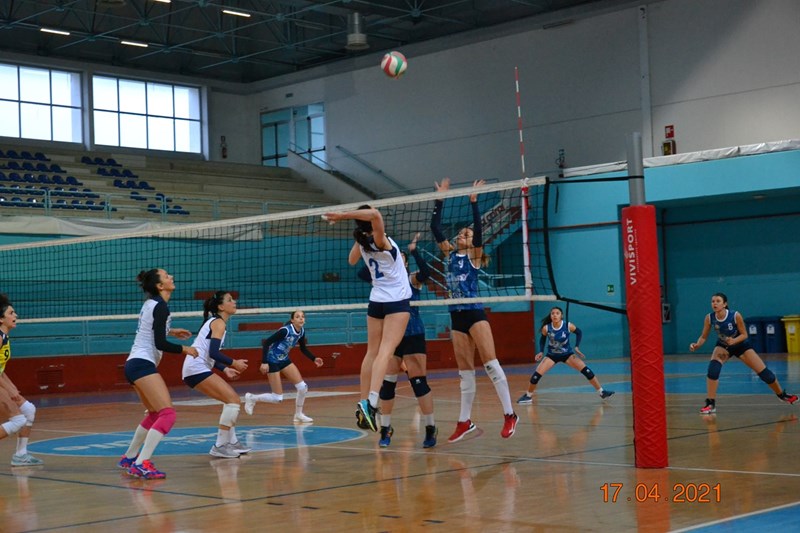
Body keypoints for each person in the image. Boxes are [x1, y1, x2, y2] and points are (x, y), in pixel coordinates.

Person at [430, 178, 518, 441]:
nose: (461, 235)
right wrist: (440, 199)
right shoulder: (449, 255)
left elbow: (479, 234)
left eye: (465, 234)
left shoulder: (474, 256)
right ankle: (464, 421)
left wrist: (474, 203)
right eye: (460, 233)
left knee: (490, 364)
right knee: (465, 373)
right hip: (456, 316)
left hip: (475, 313)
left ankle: (510, 414)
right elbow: (435, 227)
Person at [323, 205, 411, 432]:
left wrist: (358, 232)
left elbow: (351, 260)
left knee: (372, 352)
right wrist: (343, 215)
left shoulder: (363, 243)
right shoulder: (380, 239)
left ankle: (363, 402)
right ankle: (371, 403)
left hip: (376, 301)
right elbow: (375, 215)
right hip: (396, 301)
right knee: (385, 352)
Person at [118, 269, 199, 479]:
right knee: (167, 414)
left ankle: (130, 457)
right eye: (166, 276)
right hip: (142, 365)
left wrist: (172, 330)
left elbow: (150, 328)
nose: (171, 277)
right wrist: (186, 349)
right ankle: (141, 464)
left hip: (133, 364)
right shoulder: (160, 306)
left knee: (154, 414)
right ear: (160, 286)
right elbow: (160, 343)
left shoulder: (151, 303)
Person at [361, 233, 437, 448]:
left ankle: (430, 427)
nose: (400, 258)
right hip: (392, 337)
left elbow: (427, 273)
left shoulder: (412, 279)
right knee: (387, 385)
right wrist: (375, 261)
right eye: (399, 256)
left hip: (413, 334)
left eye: (404, 257)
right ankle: (385, 429)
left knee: (419, 383)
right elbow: (362, 272)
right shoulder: (385, 279)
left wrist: (414, 251)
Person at [689, 292, 798, 414]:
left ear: (725, 304)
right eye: (713, 301)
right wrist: (697, 344)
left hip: (740, 345)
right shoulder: (709, 318)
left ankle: (781, 395)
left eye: (718, 301)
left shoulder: (735, 315)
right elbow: (703, 336)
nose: (715, 303)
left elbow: (744, 335)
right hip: (723, 347)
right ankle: (710, 403)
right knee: (713, 370)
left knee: (767, 375)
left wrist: (733, 341)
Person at [182, 291, 250, 458]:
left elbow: (208, 353)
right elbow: (213, 352)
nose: (234, 302)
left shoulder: (216, 322)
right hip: (196, 368)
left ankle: (232, 442)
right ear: (221, 307)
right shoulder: (218, 323)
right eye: (230, 300)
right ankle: (220, 446)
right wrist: (233, 363)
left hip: (195, 368)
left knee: (230, 400)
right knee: (233, 400)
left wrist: (224, 369)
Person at [517, 306, 614, 404]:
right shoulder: (546, 328)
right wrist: (541, 351)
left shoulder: (567, 325)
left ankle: (602, 392)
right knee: (535, 376)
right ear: (550, 316)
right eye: (553, 313)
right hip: (552, 355)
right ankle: (528, 396)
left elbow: (579, 332)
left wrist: (577, 346)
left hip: (567, 354)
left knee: (587, 371)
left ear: (561, 316)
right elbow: (542, 339)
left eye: (557, 313)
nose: (555, 315)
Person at [244, 310, 324, 424]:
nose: (301, 318)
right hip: (272, 361)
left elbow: (303, 348)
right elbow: (266, 343)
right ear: (292, 320)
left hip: (284, 359)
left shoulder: (301, 331)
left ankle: (298, 415)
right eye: (297, 317)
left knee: (302, 387)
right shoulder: (285, 331)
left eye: (302, 316)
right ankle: (252, 398)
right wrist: (264, 362)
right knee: (277, 398)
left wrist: (314, 358)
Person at [0, 294, 43, 467]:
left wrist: (12, 387)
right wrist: (9, 389)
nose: (15, 315)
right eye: (11, 313)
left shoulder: (4, 337)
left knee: (29, 410)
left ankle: (20, 455)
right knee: (18, 421)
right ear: (1, 319)